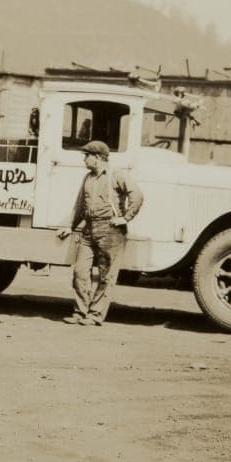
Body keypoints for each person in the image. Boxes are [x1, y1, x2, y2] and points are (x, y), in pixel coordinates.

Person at [56, 140, 144, 326]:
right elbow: (79, 206)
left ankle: (95, 315)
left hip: (111, 230)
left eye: (87, 156)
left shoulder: (116, 175)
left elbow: (136, 195)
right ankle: (80, 312)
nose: (84, 160)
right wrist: (70, 226)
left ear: (97, 157)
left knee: (106, 276)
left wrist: (126, 218)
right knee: (80, 272)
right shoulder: (87, 178)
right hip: (88, 229)